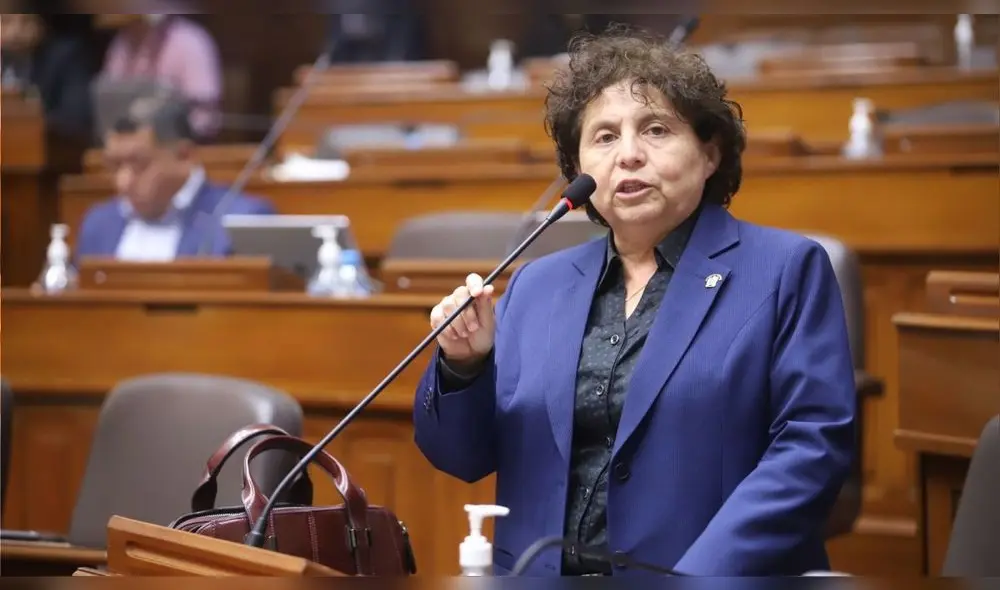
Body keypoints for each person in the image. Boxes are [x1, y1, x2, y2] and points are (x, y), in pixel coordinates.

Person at [413, 25, 855, 577]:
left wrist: (698, 580)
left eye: (655, 130)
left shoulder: (784, 270)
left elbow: (811, 452)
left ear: (710, 153)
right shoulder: (535, 286)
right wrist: (463, 366)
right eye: (603, 137)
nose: (628, 156)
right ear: (578, 173)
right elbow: (461, 457)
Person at [75, 97, 274, 262]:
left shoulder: (243, 221)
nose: (123, 182)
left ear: (184, 156)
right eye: (115, 166)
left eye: (140, 165)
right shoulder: (98, 224)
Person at [98, 11, 222, 141]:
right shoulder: (120, 44)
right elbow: (109, 102)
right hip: (130, 144)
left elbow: (204, 116)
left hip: (181, 148)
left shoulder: (191, 41)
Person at [0, 12, 95, 140]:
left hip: (45, 147)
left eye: (26, 21)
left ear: (41, 25)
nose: (15, 32)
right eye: (5, 21)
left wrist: (23, 124)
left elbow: (75, 118)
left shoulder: (65, 56)